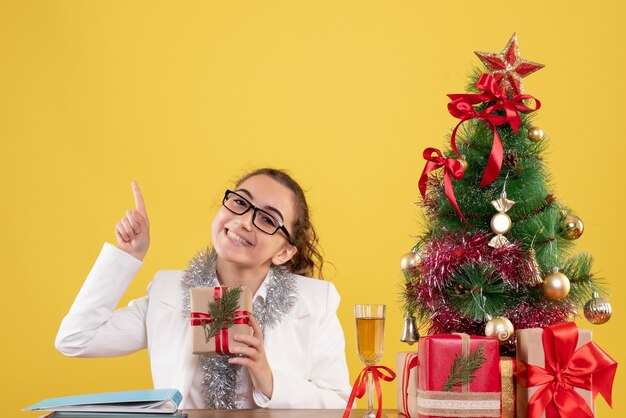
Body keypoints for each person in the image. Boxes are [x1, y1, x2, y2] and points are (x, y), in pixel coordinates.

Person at [55, 168, 352, 409]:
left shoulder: (316, 302)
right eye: (239, 202)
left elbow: (340, 404)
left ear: (285, 252)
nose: (245, 221)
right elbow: (76, 340)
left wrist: (270, 380)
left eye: (266, 219)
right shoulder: (167, 292)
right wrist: (128, 256)